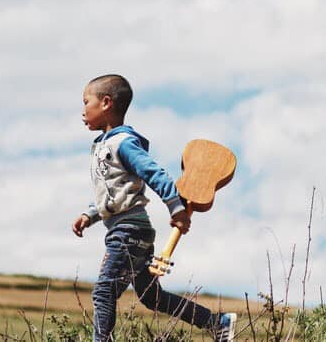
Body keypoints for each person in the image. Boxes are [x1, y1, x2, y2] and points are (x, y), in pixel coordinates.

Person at [71, 74, 236, 342]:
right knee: (151, 296)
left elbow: (154, 173)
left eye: (85, 102)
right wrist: (89, 215)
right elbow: (112, 192)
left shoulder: (122, 143)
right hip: (131, 230)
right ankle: (217, 322)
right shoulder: (104, 145)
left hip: (127, 232)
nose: (82, 110)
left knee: (104, 290)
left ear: (105, 103)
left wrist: (176, 209)